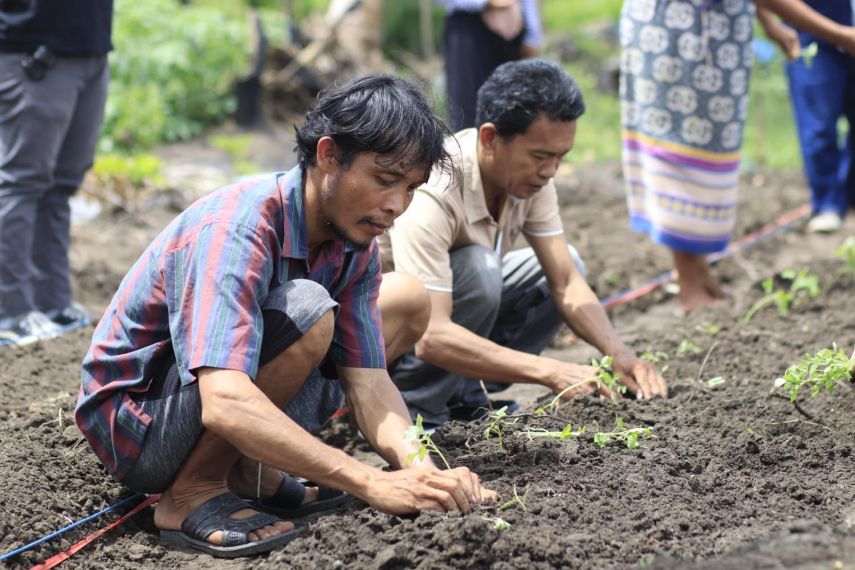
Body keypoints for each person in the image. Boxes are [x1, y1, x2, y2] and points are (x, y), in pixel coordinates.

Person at [75, 75, 496, 558]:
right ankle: (191, 493)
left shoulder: (352, 241)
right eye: (384, 180)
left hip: (203, 402)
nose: (396, 206)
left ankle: (247, 471)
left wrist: (423, 472)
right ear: (328, 155)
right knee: (308, 310)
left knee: (402, 298)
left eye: (411, 188)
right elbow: (224, 402)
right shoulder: (239, 227)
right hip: (139, 425)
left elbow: (370, 383)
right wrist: (366, 482)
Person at [377, 59, 668, 429]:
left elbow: (566, 282)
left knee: (564, 267)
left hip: (450, 316)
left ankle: (465, 394)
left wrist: (620, 354)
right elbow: (432, 336)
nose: (550, 171)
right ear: (489, 138)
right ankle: (417, 411)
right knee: (481, 269)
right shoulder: (436, 188)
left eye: (560, 158)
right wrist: (550, 371)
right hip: (389, 340)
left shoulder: (530, 180)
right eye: (540, 156)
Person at [620, 0, 855, 315]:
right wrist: (838, 33)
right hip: (678, 36)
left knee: (707, 150)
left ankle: (697, 268)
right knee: (679, 150)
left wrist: (769, 23)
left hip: (713, 37)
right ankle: (688, 282)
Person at [0, 0, 111, 344]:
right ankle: (10, 311)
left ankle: (51, 302)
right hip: (32, 52)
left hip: (89, 47)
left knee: (61, 186)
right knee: (21, 183)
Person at [758, 1, 855, 233]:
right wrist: (768, 23)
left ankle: (849, 195)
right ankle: (827, 202)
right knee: (818, 124)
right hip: (812, 35)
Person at [438, 0, 543, 131]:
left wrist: (532, 35)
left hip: (513, 39)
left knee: (513, 113)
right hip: (467, 31)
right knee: (467, 113)